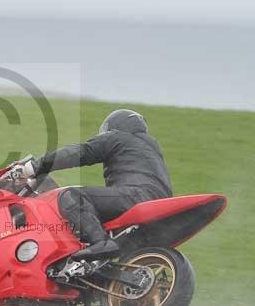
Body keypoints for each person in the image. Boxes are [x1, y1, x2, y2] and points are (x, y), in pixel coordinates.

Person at [20, 109, 172, 261]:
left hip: (136, 197)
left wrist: (36, 166)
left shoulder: (118, 137)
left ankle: (101, 242)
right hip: (160, 205)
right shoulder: (151, 149)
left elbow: (80, 152)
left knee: (73, 196)